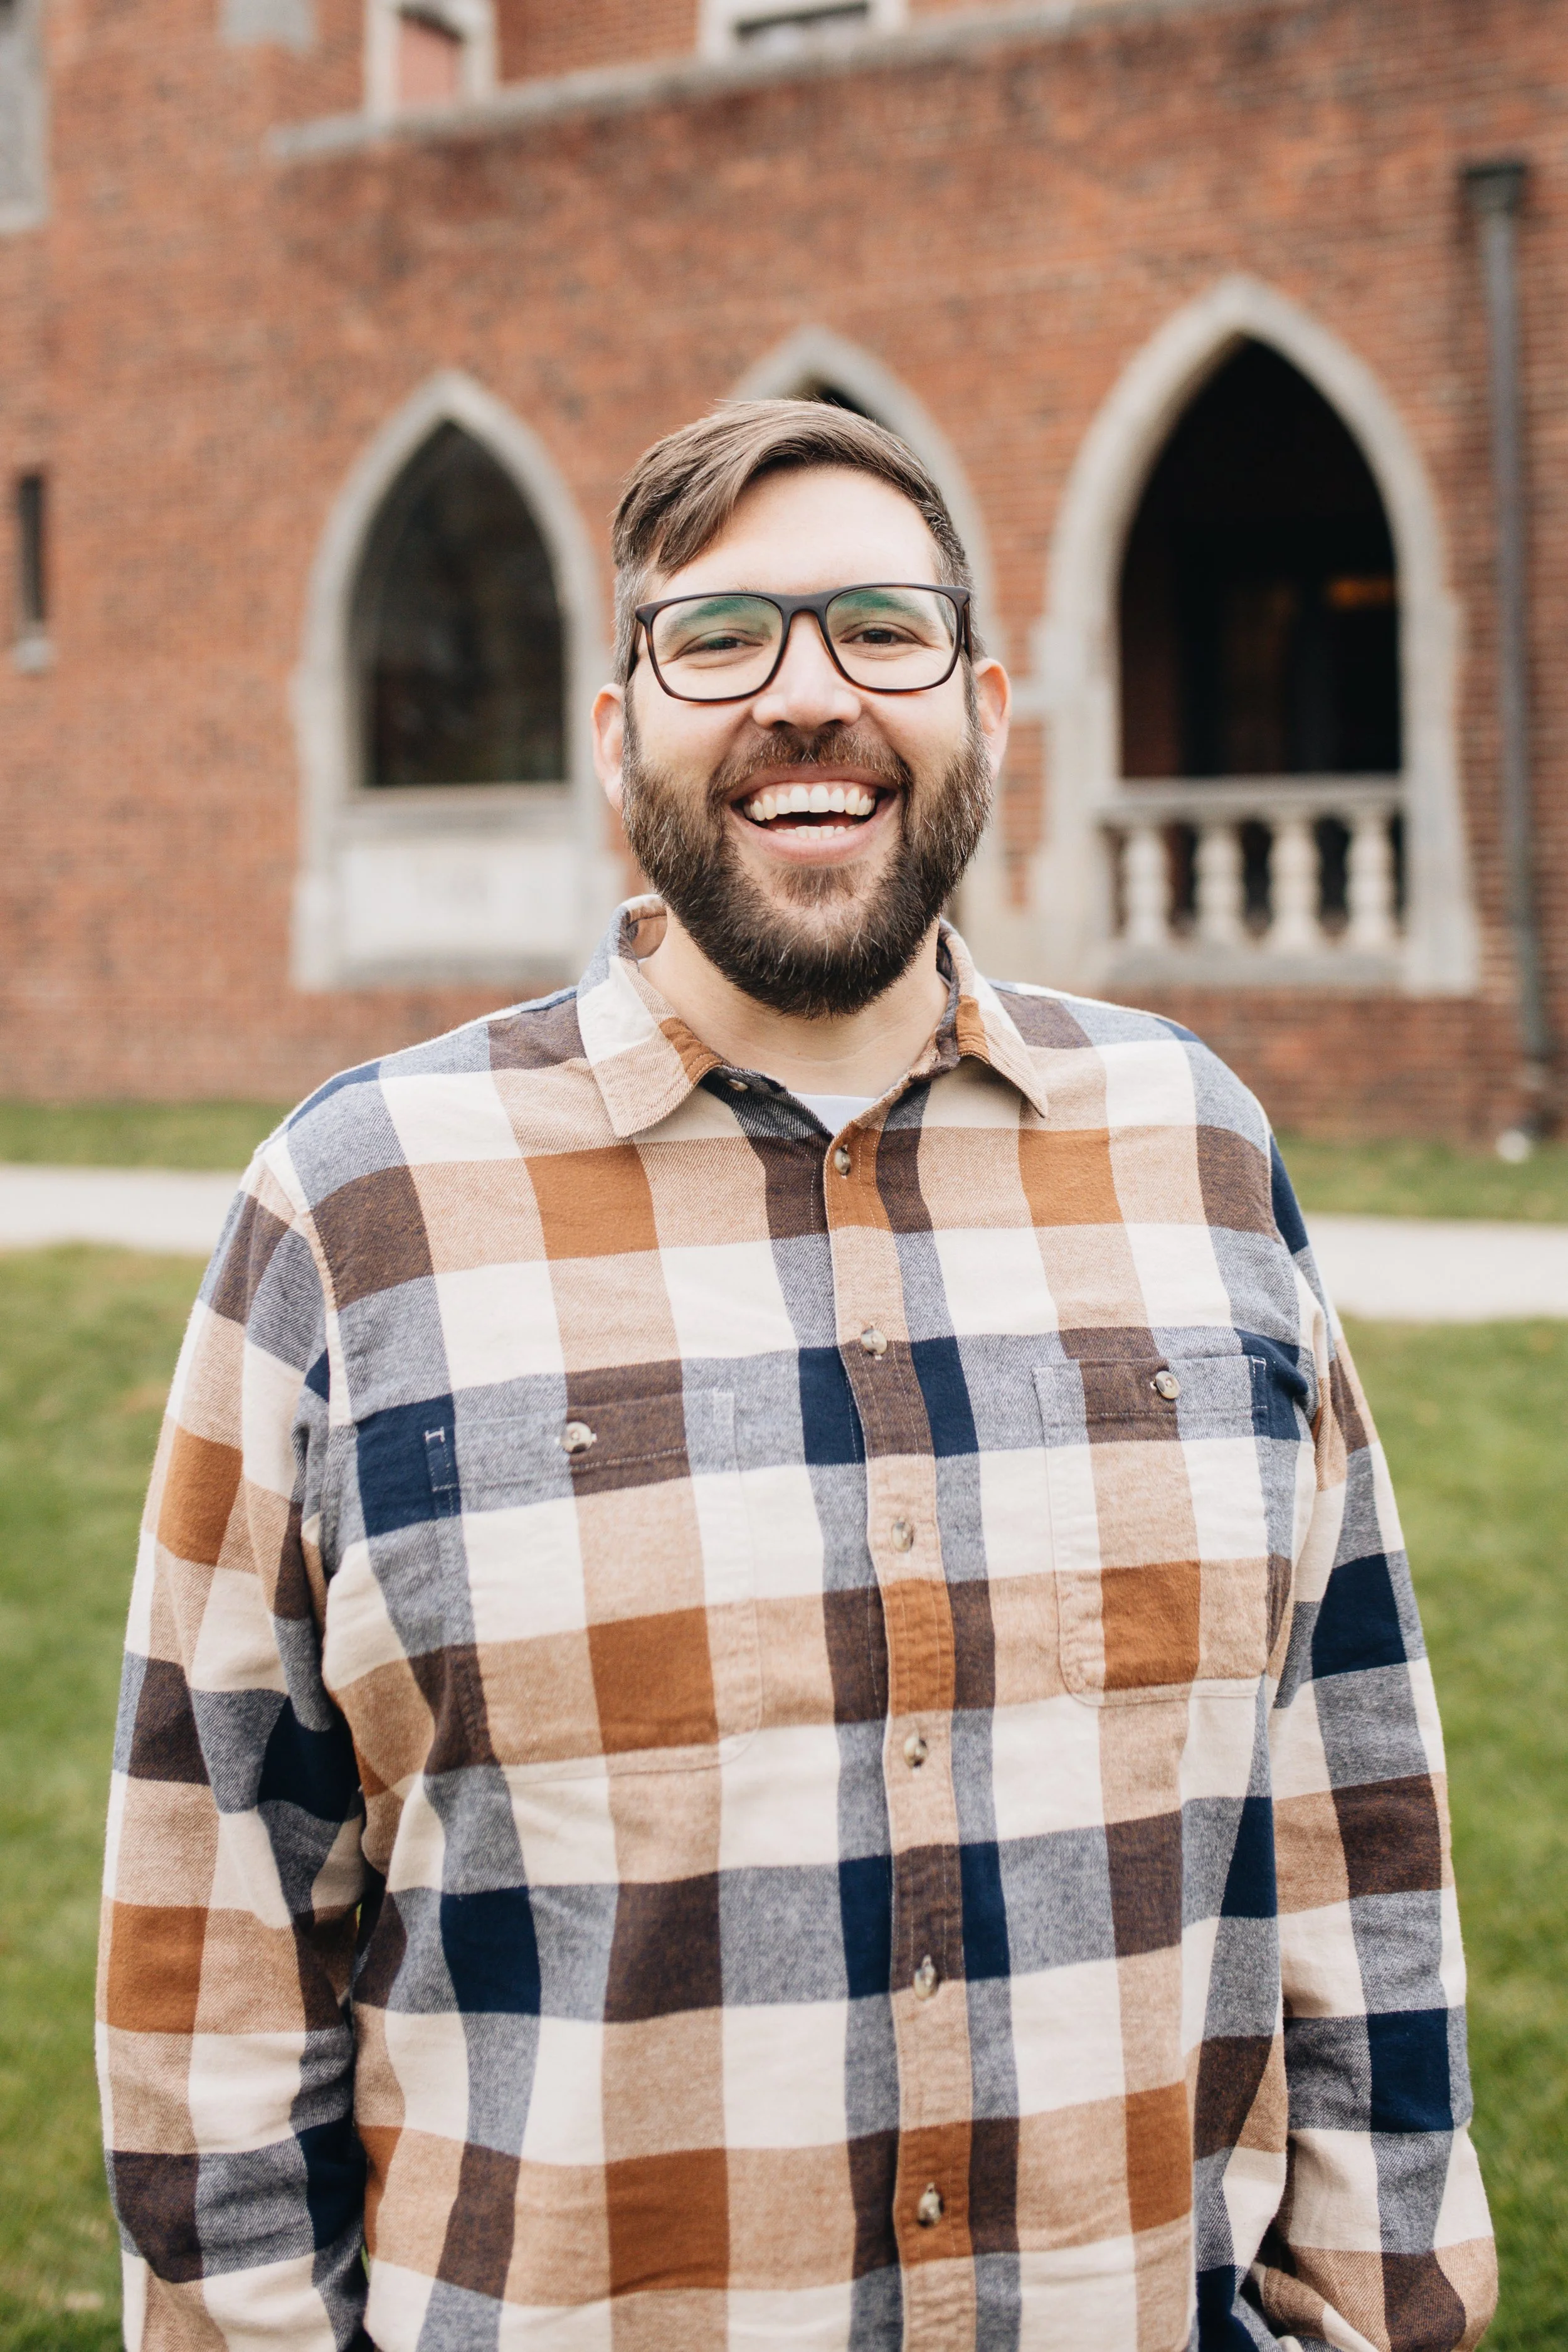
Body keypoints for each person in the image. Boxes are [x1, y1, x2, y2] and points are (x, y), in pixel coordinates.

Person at [98, 401, 1495, 2351]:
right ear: (617, 739)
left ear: (985, 706)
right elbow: (216, 1931)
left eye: (879, 630)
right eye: (719, 639)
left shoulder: (1197, 1149)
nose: (807, 697)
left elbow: (1351, 1821)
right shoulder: (355, 1208)